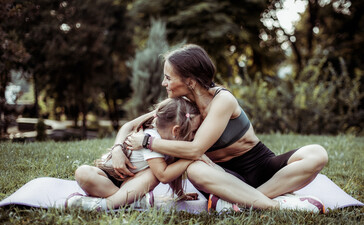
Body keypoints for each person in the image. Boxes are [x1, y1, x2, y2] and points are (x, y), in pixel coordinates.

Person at [122, 44, 328, 213]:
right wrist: (116, 150)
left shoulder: (223, 100)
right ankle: (269, 204)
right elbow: (130, 126)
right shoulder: (181, 107)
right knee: (194, 169)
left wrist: (149, 142)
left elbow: (195, 149)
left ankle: (243, 201)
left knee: (317, 154)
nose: (163, 83)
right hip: (221, 176)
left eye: (168, 77)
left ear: (190, 82)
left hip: (261, 166)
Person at [66, 97, 202, 211]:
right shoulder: (151, 138)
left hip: (132, 182)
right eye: (194, 132)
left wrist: (180, 194)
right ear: (176, 131)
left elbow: (172, 168)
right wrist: (192, 156)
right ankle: (118, 203)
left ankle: (120, 201)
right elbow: (164, 175)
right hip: (108, 177)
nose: (195, 136)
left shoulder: (170, 142)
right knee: (82, 173)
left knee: (153, 173)